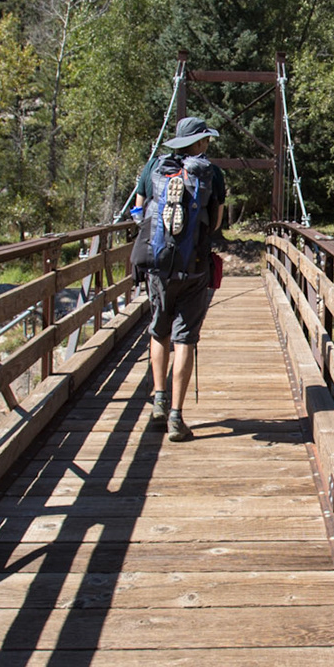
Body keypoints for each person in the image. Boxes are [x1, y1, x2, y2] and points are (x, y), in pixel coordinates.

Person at [134, 115, 226, 440]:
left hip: (159, 267)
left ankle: (158, 398)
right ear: (199, 143)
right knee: (184, 338)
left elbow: (139, 209)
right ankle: (176, 416)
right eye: (206, 140)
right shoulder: (212, 173)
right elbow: (215, 223)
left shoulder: (154, 167)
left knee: (158, 330)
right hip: (195, 266)